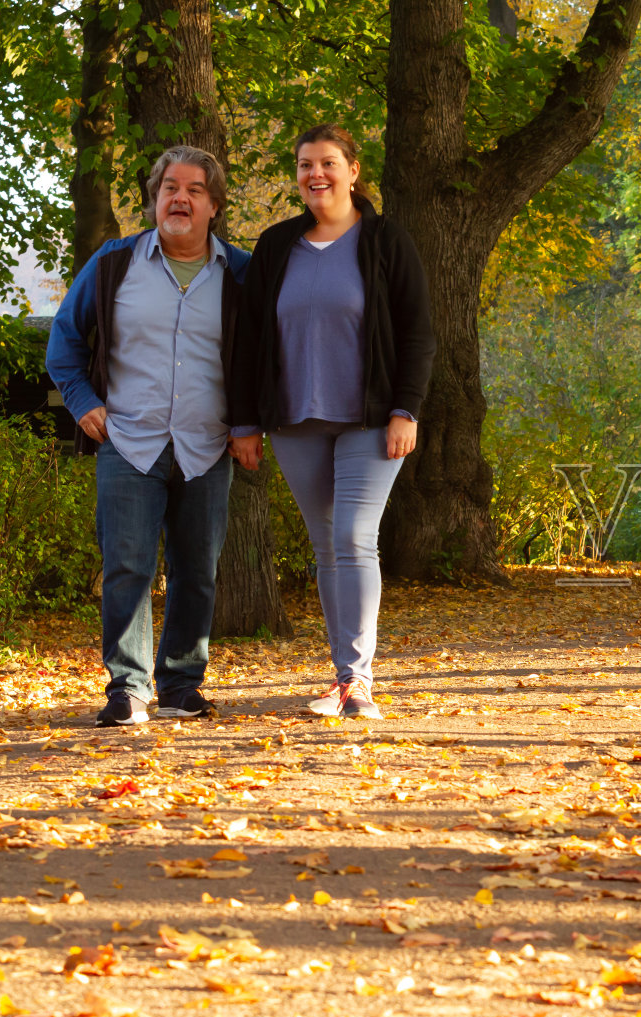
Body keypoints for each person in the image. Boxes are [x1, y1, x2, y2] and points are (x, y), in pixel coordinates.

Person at [47, 145, 259, 727]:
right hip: (129, 442)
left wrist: (247, 424)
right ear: (154, 198)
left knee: (197, 569)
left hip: (207, 444)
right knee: (127, 566)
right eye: (170, 188)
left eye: (193, 190)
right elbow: (63, 339)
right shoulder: (115, 263)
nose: (180, 198)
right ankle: (128, 688)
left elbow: (262, 357)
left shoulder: (241, 273)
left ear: (214, 205)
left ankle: (180, 685)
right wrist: (84, 403)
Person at [229, 124, 435, 719]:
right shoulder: (275, 247)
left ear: (352, 170)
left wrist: (407, 409)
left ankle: (356, 679)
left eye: (326, 163)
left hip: (371, 419)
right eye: (304, 165)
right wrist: (244, 421)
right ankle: (343, 676)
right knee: (326, 547)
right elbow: (248, 342)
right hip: (294, 419)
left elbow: (418, 333)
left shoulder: (386, 242)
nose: (315, 174)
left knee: (352, 538)